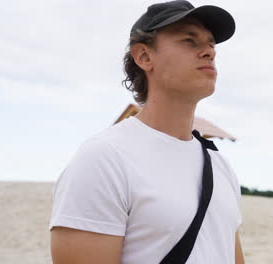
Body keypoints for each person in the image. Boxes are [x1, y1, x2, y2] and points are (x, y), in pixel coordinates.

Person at [49, 1, 244, 263]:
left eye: (211, 44)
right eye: (190, 40)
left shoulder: (219, 166)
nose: (209, 52)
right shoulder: (105, 159)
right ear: (144, 57)